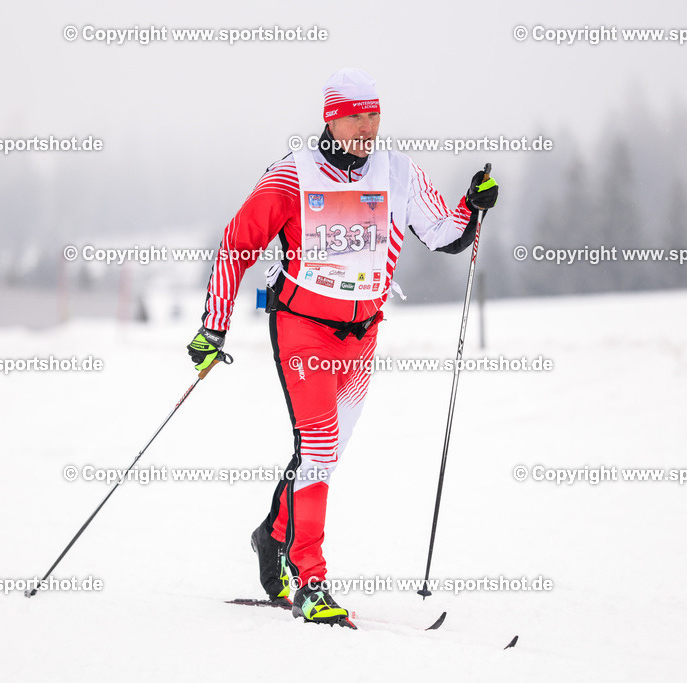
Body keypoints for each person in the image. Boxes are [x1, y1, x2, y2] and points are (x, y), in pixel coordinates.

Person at [187, 68, 498, 624]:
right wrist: (214, 328)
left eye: (375, 114)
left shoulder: (398, 173)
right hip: (302, 324)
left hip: (362, 334)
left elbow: (446, 235)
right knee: (321, 445)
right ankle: (311, 581)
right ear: (331, 116)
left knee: (324, 453)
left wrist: (472, 206)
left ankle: (273, 534)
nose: (367, 126)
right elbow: (237, 246)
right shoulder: (292, 177)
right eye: (356, 115)